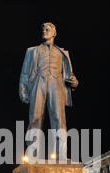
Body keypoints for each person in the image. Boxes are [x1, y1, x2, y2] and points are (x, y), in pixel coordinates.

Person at [19, 22, 79, 160]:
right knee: (35, 117)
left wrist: (74, 82)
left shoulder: (62, 53)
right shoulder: (32, 51)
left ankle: (62, 154)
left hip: (56, 84)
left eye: (48, 29)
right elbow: (24, 73)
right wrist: (23, 90)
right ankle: (33, 152)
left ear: (54, 33)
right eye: (43, 29)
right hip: (38, 82)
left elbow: (70, 74)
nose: (45, 31)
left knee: (59, 119)